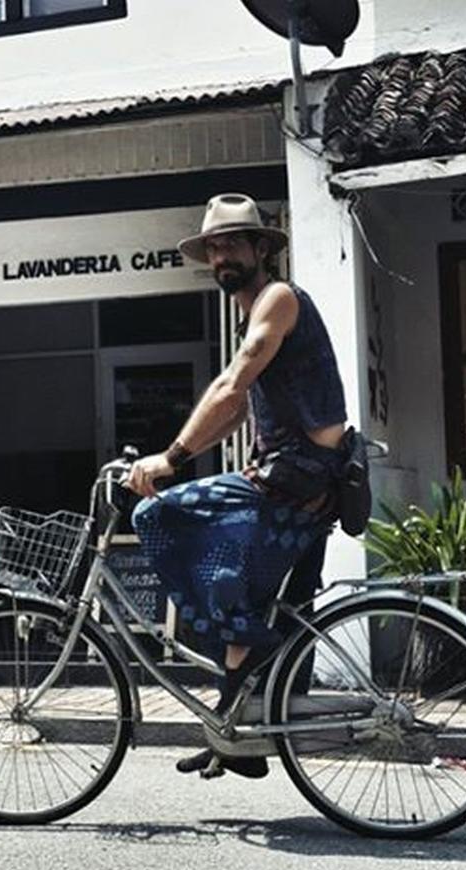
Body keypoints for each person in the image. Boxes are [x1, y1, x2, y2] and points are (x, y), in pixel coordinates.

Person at [125, 193, 348, 780]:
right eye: (214, 248)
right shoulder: (255, 314)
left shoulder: (278, 300)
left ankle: (242, 704)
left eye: (232, 244)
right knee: (236, 591)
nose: (222, 256)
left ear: (260, 249)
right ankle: (231, 733)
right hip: (296, 483)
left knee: (159, 518)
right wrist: (184, 450)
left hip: (296, 481)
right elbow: (235, 409)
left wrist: (170, 460)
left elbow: (232, 381)